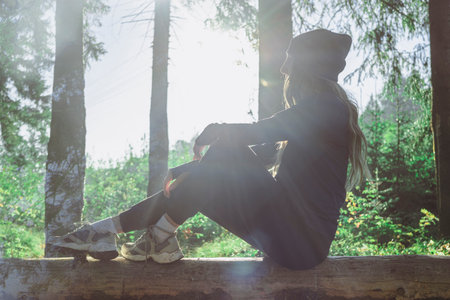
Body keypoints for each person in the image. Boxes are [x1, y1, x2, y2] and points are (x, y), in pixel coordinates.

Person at [50, 29, 370, 270]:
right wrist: (194, 170)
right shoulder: (321, 112)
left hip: (302, 244)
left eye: (290, 64)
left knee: (223, 156)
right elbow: (249, 165)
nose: (285, 72)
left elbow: (261, 132)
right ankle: (126, 233)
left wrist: (215, 130)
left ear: (307, 69)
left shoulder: (327, 108)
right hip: (292, 237)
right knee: (218, 164)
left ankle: (144, 235)